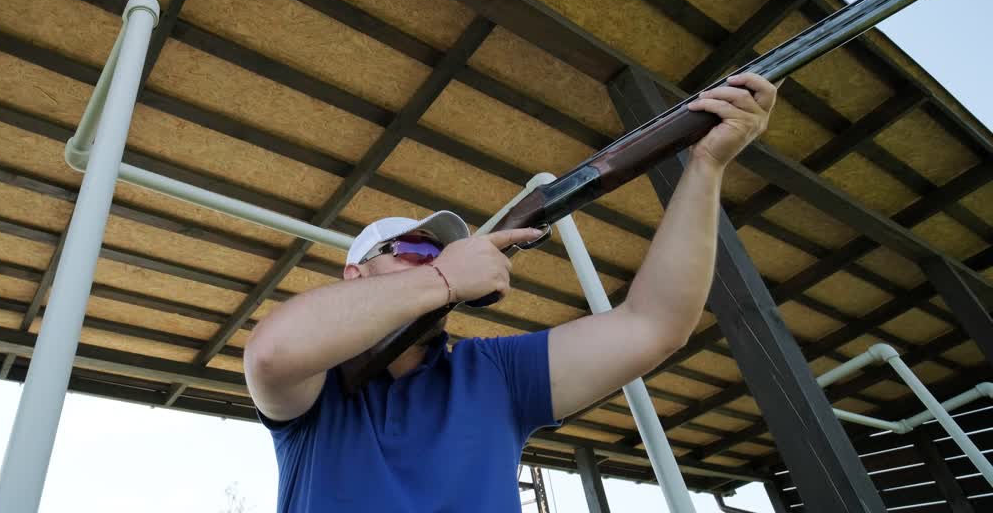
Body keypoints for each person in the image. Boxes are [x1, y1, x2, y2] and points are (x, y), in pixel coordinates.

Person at [244, 73, 779, 512]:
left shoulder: (493, 373)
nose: (434, 259)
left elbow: (655, 324)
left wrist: (707, 166)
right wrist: (445, 278)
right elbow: (270, 352)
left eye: (443, 252)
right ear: (355, 275)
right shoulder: (318, 386)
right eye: (415, 250)